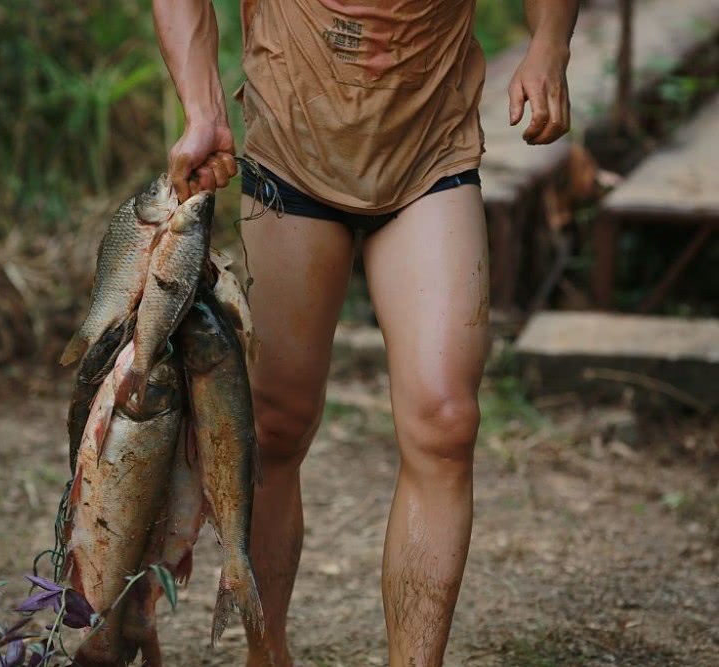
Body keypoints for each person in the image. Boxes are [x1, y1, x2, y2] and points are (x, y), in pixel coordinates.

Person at [153, 0, 577, 665]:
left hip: (430, 146)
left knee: (445, 421)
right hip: (292, 142)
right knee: (274, 423)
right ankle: (266, 653)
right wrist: (201, 106)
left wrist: (550, 43)